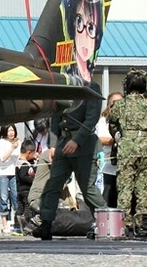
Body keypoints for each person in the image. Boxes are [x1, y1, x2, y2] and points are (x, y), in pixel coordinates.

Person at [34, 84, 103, 239]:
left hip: (84, 146)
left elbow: (91, 119)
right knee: (53, 184)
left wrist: (77, 140)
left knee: (87, 188)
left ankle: (104, 221)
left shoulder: (91, 87)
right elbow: (56, 116)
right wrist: (53, 144)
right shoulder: (64, 84)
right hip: (63, 144)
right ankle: (46, 223)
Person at [108, 69, 147, 234]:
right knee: (144, 188)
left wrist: (119, 136)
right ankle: (142, 223)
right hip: (145, 146)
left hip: (127, 146)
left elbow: (112, 125)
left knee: (125, 186)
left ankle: (125, 223)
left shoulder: (119, 105)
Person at [97, 92, 124, 207]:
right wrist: (117, 140)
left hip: (126, 165)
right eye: (114, 103)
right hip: (110, 165)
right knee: (109, 198)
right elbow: (101, 139)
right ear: (109, 104)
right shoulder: (103, 121)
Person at [0, 125, 20, 234]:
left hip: (14, 173)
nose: (11, 132)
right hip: (3, 173)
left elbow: (19, 157)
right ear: (4, 131)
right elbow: (3, 158)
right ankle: (4, 224)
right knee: (3, 198)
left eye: (13, 130)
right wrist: (12, 148)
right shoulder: (1, 143)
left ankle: (17, 223)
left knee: (16, 197)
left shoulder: (18, 142)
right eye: (9, 130)